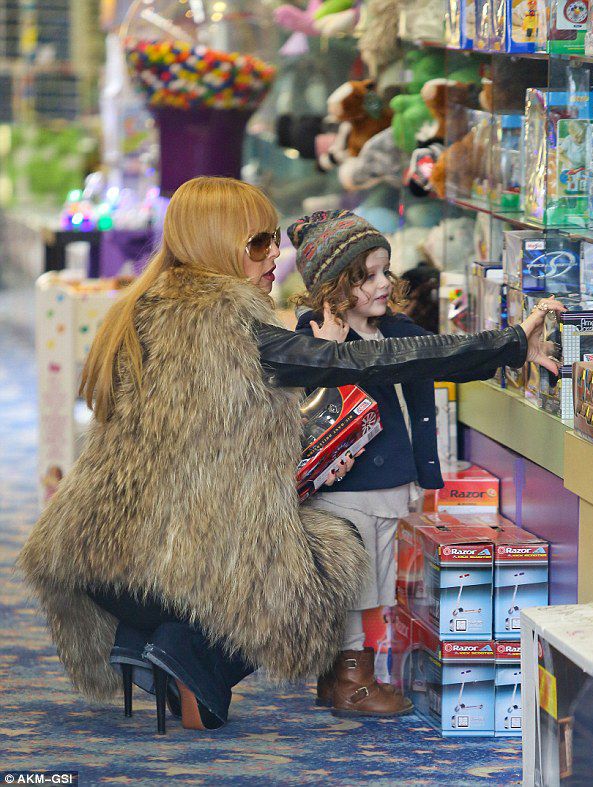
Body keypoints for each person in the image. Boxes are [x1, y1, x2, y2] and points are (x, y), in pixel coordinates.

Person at [18, 178, 564, 735]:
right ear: (214, 244)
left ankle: (148, 641)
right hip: (176, 561)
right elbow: (378, 361)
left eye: (274, 240)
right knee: (337, 548)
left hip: (101, 552)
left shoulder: (141, 310)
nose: (275, 256)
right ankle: (191, 657)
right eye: (259, 244)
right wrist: (509, 343)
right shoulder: (231, 328)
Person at [290, 209, 541, 717]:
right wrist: (326, 352)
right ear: (334, 287)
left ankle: (338, 675)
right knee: (355, 582)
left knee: (373, 580)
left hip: (388, 481)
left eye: (385, 270)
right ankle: (352, 681)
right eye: (368, 276)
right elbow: (300, 405)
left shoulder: (395, 330)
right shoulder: (313, 338)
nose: (384, 283)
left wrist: (514, 347)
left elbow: (450, 356)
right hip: (346, 487)